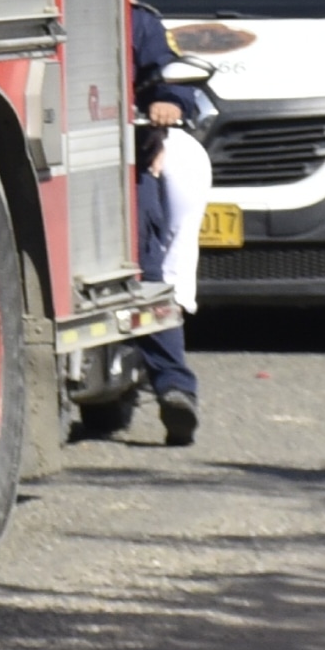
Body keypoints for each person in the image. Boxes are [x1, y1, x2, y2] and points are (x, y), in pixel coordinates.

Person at [135, 99, 212, 446]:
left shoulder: (182, 157)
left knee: (155, 278)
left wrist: (168, 101)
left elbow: (167, 72)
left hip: (150, 157)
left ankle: (176, 389)